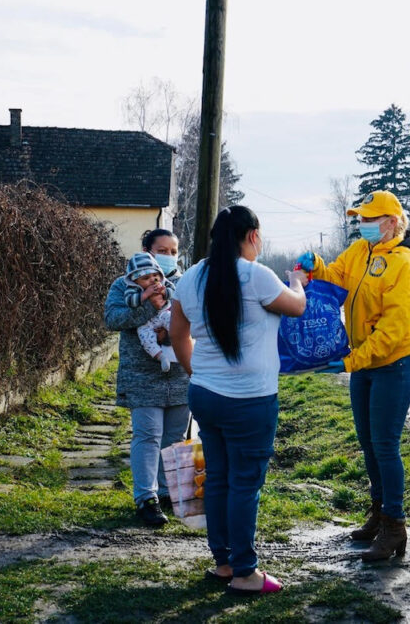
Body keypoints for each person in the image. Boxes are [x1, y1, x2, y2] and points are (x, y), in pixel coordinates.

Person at [170, 206, 306, 595]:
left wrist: (199, 374)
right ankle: (246, 572)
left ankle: (224, 563)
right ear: (250, 237)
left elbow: (179, 335)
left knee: (219, 478)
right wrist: (298, 281)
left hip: (206, 395)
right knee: (245, 484)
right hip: (251, 400)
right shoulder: (257, 275)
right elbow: (297, 307)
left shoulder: (191, 277)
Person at [297, 190, 410, 561]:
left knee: (386, 444)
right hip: (365, 364)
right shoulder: (359, 251)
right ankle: (379, 513)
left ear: (391, 223)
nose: (362, 224)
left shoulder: (405, 266)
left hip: (394, 364)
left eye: (369, 219)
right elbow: (337, 275)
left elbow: (392, 330)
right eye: (361, 219)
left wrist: (353, 361)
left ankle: (395, 525)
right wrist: (317, 264)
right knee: (369, 443)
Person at [104, 229, 191, 527]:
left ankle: (169, 492)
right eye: (161, 251)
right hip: (142, 374)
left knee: (175, 436)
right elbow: (112, 319)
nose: (168, 257)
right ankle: (147, 498)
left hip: (180, 374)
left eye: (173, 251)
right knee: (148, 435)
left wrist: (174, 331)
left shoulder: (184, 283)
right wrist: (146, 307)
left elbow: (199, 320)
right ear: (146, 251)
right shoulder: (123, 286)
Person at [123, 252, 177, 372]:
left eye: (155, 275)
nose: (152, 280)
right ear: (135, 281)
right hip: (145, 322)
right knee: (145, 338)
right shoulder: (132, 288)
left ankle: (178, 345)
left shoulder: (163, 282)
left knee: (173, 322)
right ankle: (160, 356)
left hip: (163, 314)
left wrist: (164, 292)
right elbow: (130, 301)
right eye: (146, 278)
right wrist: (145, 294)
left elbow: (173, 291)